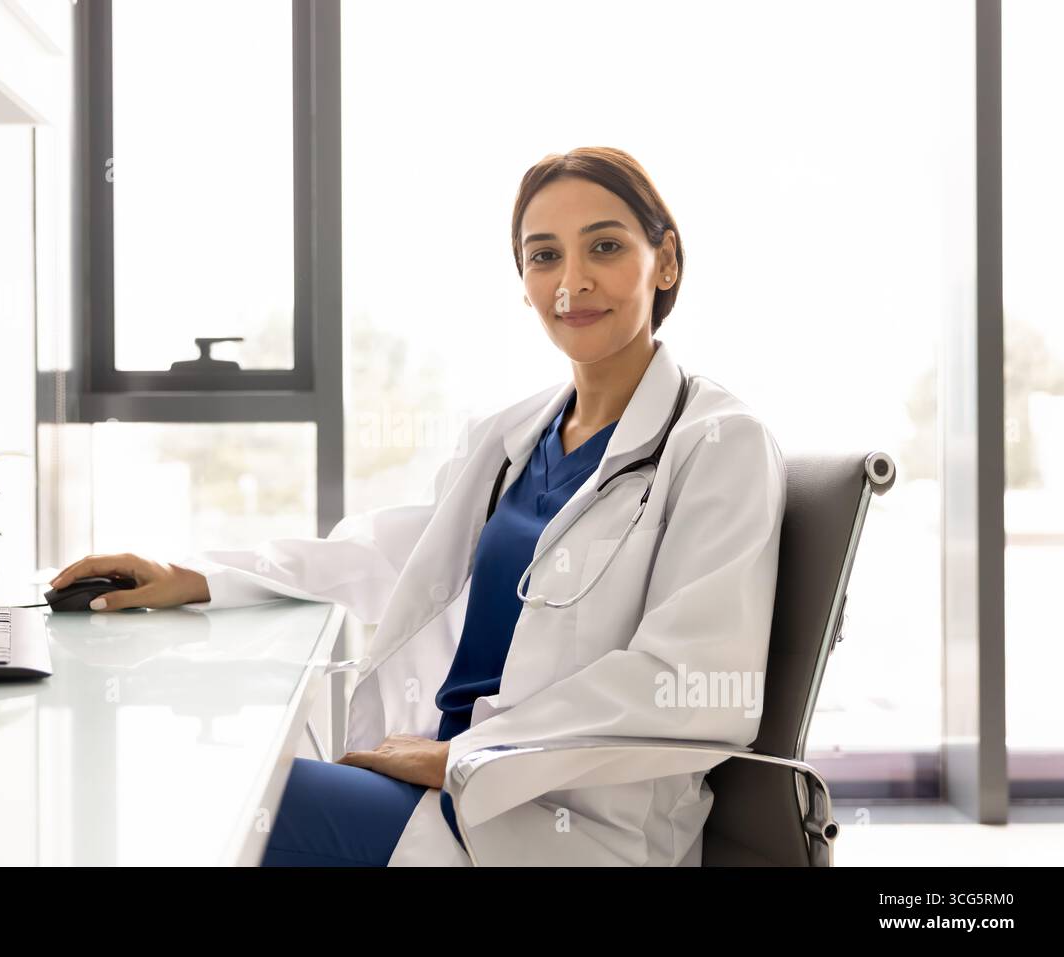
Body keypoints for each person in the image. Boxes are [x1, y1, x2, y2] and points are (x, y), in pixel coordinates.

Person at [50, 146, 787, 866]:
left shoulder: (720, 443)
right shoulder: (513, 434)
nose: (573, 281)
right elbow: (394, 551)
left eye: (604, 246)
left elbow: (691, 680)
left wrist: (467, 755)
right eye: (544, 256)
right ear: (523, 283)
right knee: (230, 776)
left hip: (566, 826)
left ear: (666, 261)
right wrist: (198, 576)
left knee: (235, 796)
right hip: (451, 784)